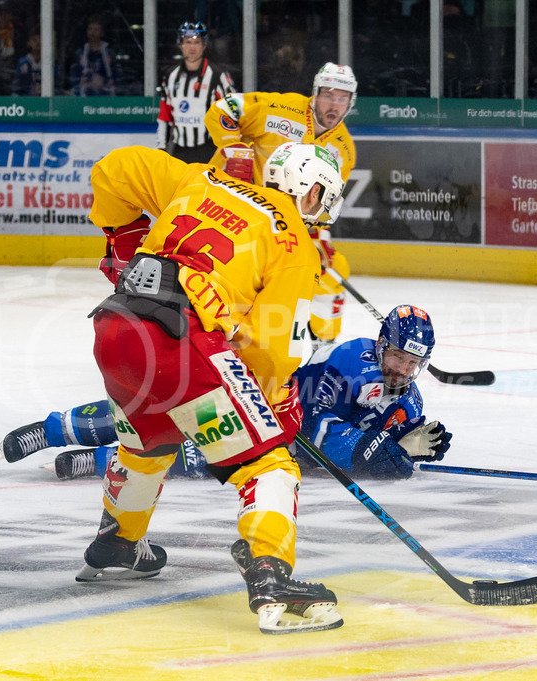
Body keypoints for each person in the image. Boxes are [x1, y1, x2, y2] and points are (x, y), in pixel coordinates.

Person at [72, 141, 346, 635]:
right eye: (324, 201)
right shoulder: (293, 242)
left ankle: (118, 541)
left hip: (116, 329)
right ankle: (271, 577)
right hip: (180, 343)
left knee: (146, 443)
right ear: (312, 193)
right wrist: (270, 404)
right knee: (266, 462)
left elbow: (115, 168)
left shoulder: (200, 179)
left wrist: (126, 238)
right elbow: (269, 347)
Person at [0, 306, 453, 481]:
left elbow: (397, 438)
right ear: (381, 344)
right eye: (398, 357)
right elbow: (322, 428)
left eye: (415, 363)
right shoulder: (348, 359)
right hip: (260, 401)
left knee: (191, 457)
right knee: (161, 415)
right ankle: (51, 429)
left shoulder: (408, 395)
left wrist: (416, 443)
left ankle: (90, 463)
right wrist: (387, 452)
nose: (404, 369)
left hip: (280, 445)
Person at [205, 62, 358, 352]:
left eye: (342, 97)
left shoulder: (344, 150)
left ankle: (323, 350)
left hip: (277, 226)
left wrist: (319, 241)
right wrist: (233, 148)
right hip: (232, 208)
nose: (333, 104)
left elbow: (321, 206)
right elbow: (225, 108)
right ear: (315, 93)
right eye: (328, 94)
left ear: (351, 101)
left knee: (332, 271)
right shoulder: (280, 108)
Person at [156, 21, 235, 163]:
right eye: (187, 42)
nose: (192, 47)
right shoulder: (170, 76)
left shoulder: (217, 76)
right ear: (180, 45)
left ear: (204, 45)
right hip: (179, 152)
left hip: (208, 151)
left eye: (196, 42)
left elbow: (233, 113)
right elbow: (165, 116)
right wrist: (161, 148)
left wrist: (230, 149)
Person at [69, 16, 123, 96]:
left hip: (105, 97)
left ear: (102, 33)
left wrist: (104, 83)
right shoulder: (80, 53)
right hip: (84, 97)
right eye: (90, 29)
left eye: (96, 29)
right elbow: (74, 77)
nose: (92, 32)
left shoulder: (109, 53)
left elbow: (117, 76)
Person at [11, 26, 46, 96]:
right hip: (27, 102)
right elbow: (17, 87)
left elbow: (56, 86)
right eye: (34, 40)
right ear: (29, 43)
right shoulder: (23, 63)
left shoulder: (50, 63)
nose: (38, 43)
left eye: (41, 40)